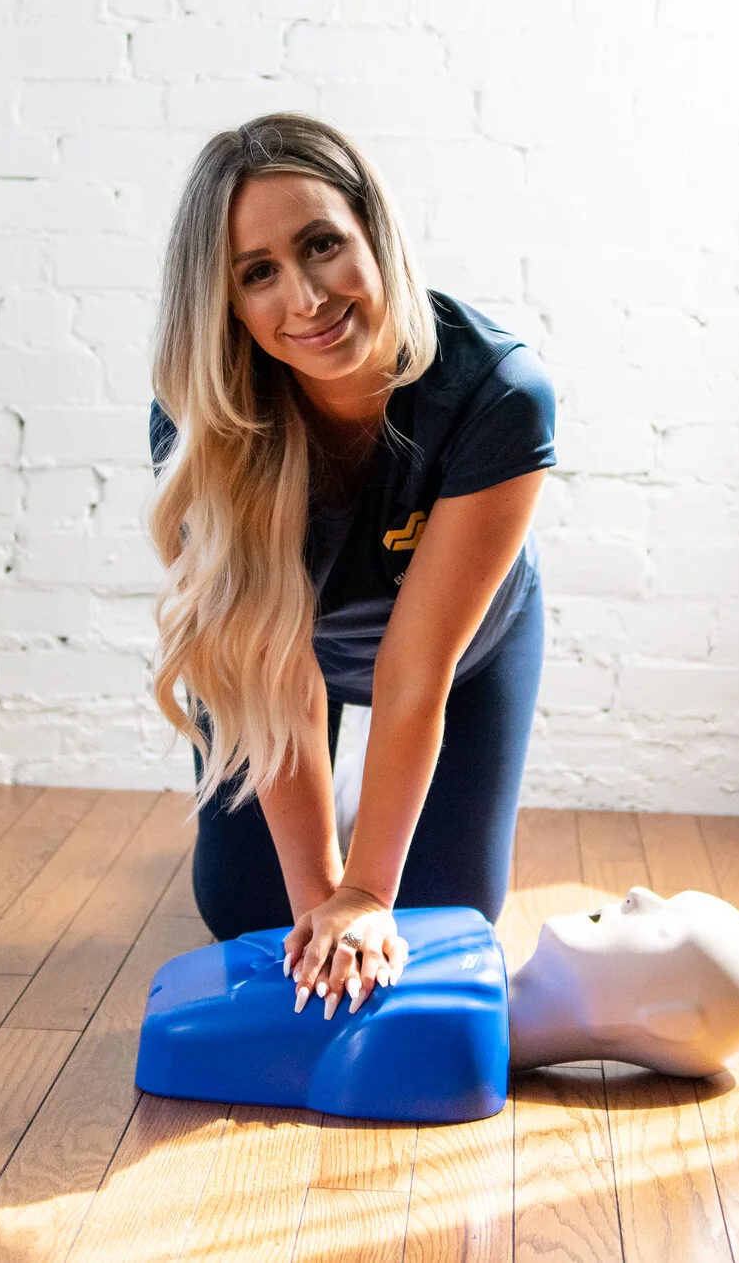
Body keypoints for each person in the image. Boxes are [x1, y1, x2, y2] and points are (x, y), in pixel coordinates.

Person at [148, 114, 554, 1019]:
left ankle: (367, 850)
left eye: (322, 244)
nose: (306, 298)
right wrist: (319, 908)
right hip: (279, 654)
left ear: (373, 229)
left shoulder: (501, 394)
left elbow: (414, 673)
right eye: (257, 273)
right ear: (226, 303)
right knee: (252, 912)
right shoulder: (199, 416)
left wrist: (366, 894)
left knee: (447, 914)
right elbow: (271, 661)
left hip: (460, 654)